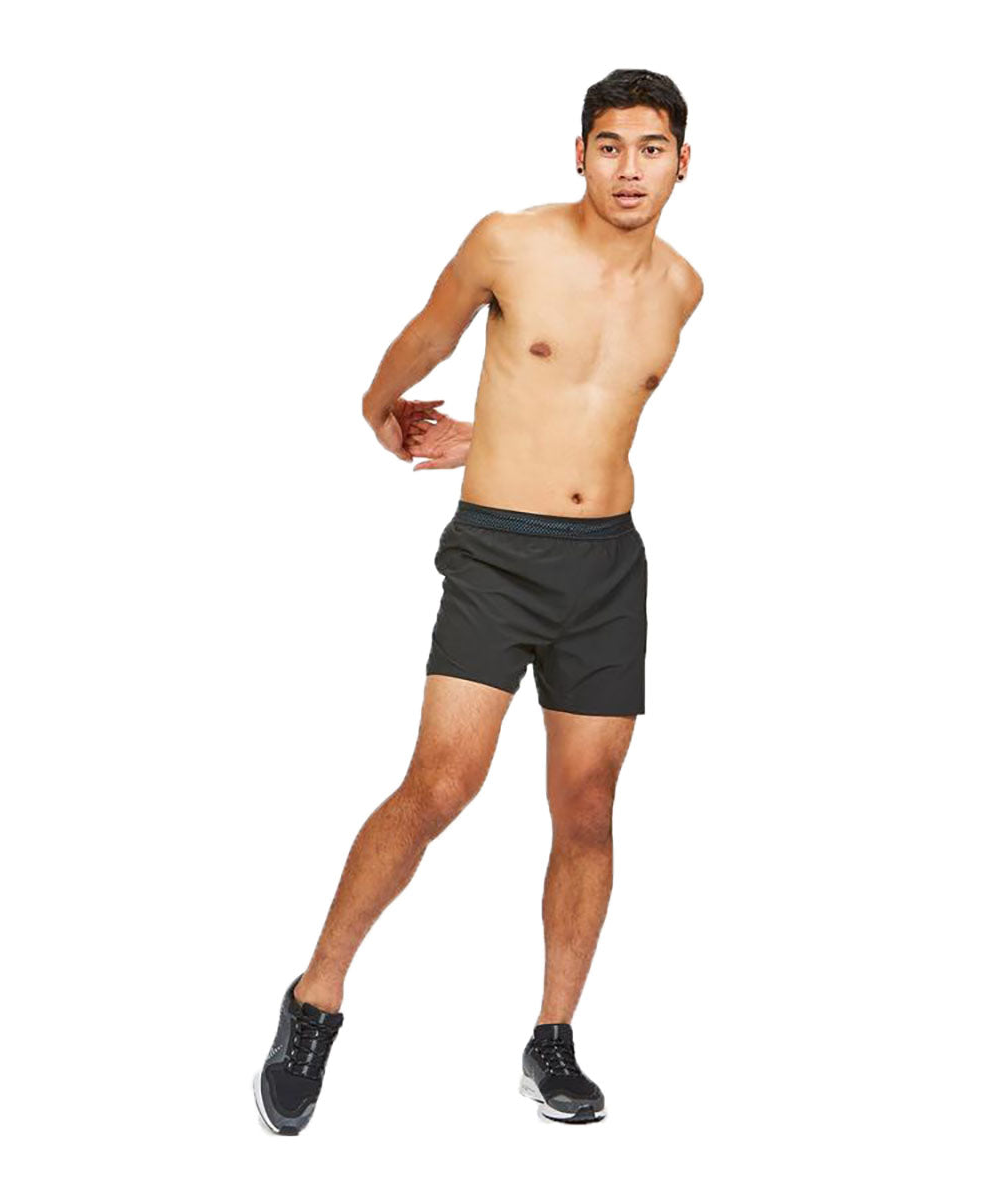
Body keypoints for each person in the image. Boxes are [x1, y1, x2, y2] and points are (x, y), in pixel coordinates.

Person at [254, 68, 704, 1134]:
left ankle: (553, 1039)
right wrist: (380, 409)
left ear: (684, 162)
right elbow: (432, 334)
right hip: (499, 558)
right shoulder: (510, 241)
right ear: (580, 154)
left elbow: (586, 405)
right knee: (441, 785)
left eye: (650, 148)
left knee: (588, 808)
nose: (629, 169)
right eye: (609, 146)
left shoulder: (685, 289)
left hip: (607, 568)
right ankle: (315, 999)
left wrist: (492, 439)